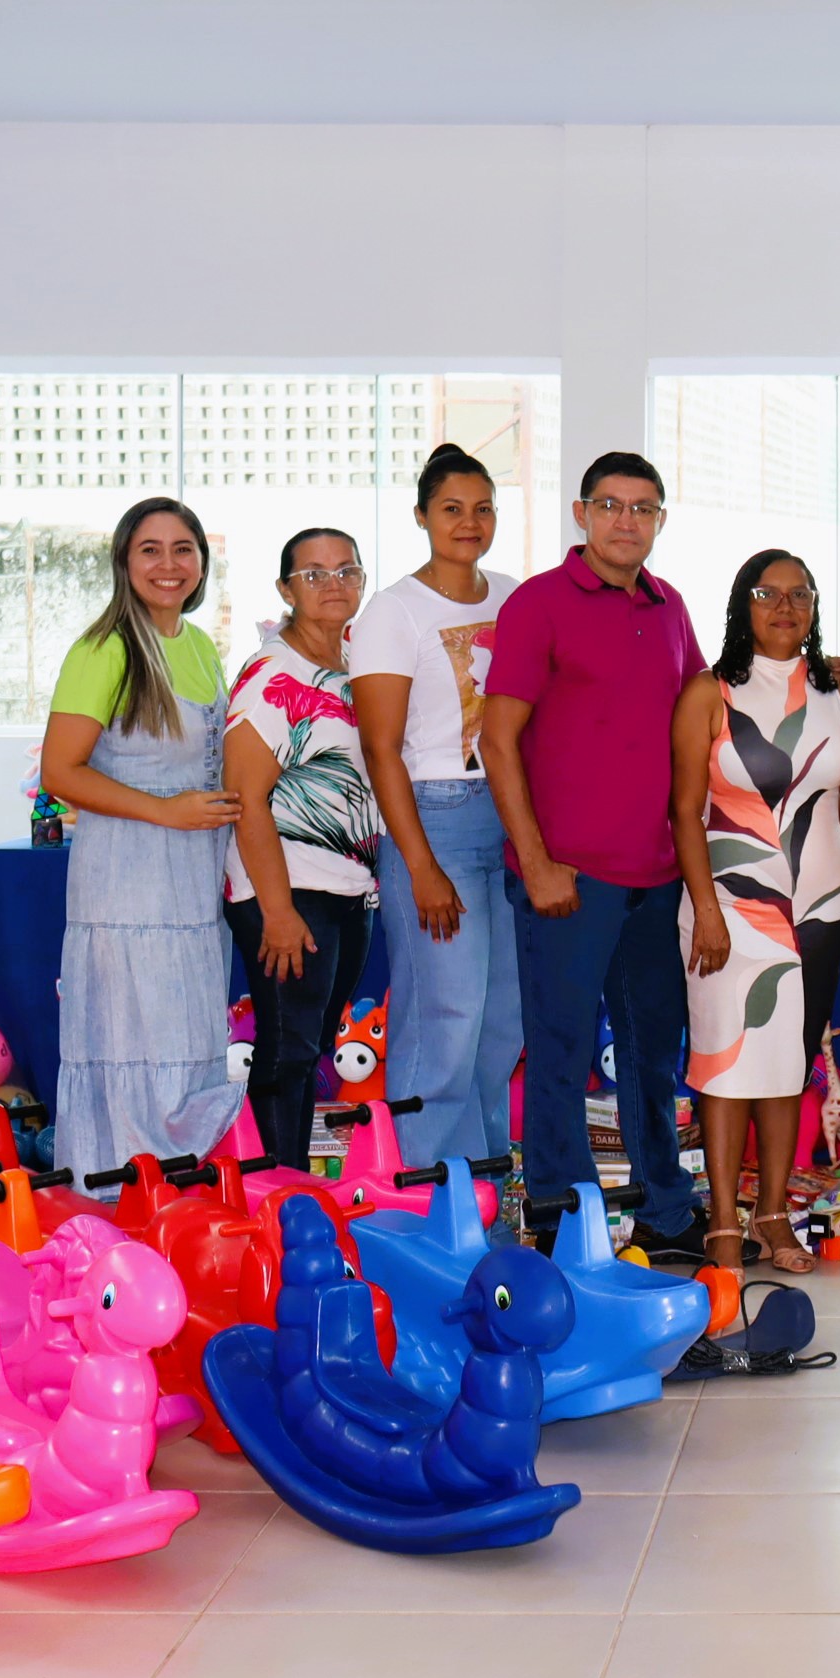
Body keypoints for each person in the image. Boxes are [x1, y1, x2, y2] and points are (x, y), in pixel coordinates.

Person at [480, 451, 706, 1258]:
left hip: (655, 874)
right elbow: (497, 740)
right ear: (581, 514)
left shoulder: (670, 607)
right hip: (568, 878)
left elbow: (702, 706)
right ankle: (560, 1224)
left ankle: (667, 1215)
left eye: (643, 508)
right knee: (561, 1054)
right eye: (611, 505)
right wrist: (537, 862)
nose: (626, 521)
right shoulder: (539, 603)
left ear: (660, 520)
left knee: (652, 1056)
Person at [38, 497, 246, 1187]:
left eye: (183, 548)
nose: (168, 564)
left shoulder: (201, 647)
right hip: (127, 877)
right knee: (134, 1039)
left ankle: (177, 1191)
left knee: (184, 1038)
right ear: (124, 563)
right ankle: (117, 1195)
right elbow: (60, 772)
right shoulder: (105, 650)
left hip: (193, 879)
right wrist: (164, 811)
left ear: (202, 563)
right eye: (149, 550)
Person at [671, 550, 840, 1274]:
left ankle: (774, 1217)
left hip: (822, 906)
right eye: (766, 593)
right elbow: (684, 811)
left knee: (788, 1064)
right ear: (740, 606)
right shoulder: (708, 692)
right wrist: (707, 910)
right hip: (731, 907)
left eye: (799, 594)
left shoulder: (837, 691)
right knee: (728, 1064)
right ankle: (723, 1221)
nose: (784, 606)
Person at [350, 443, 521, 1168]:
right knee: (444, 1018)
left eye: (483, 508)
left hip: (509, 815)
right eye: (451, 508)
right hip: (435, 819)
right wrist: (419, 866)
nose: (468, 522)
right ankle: (430, 1189)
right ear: (421, 516)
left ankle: (483, 1183)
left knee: (502, 1021)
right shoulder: (394, 611)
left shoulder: (513, 595)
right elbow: (381, 748)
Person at [223, 528, 383, 1172]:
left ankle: (293, 1184)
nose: (333, 584)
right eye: (313, 574)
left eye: (347, 570)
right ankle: (276, 1193)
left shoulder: (360, 661)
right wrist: (278, 910)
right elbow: (245, 797)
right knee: (288, 1049)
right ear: (286, 590)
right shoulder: (272, 674)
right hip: (287, 888)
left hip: (347, 885)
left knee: (309, 1044)